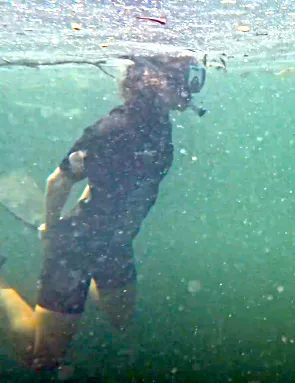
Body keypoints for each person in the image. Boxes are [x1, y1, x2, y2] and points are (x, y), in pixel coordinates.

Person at [0, 54, 206, 370]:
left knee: (122, 321)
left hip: (116, 243)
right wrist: (52, 231)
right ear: (156, 82)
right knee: (42, 358)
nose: (192, 90)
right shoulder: (112, 129)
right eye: (187, 80)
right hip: (76, 249)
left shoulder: (159, 126)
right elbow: (58, 181)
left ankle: (77, 295)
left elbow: (112, 179)